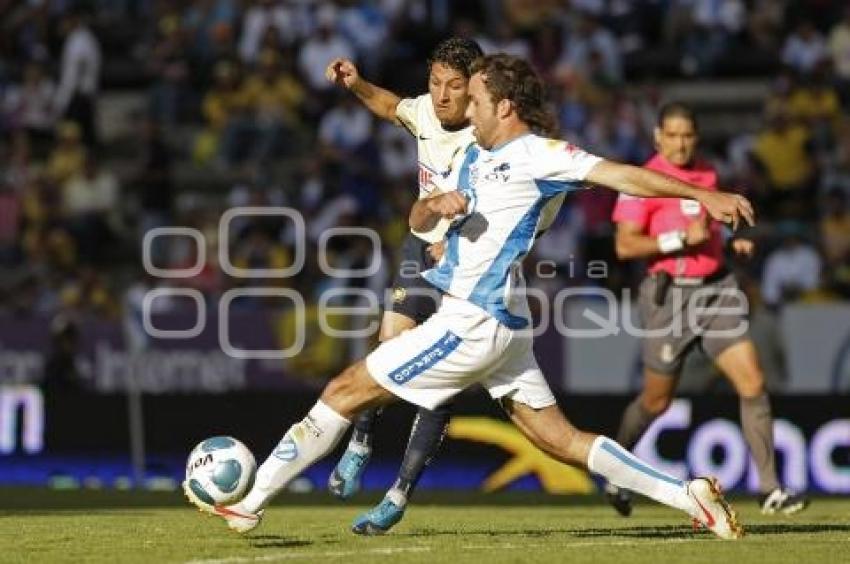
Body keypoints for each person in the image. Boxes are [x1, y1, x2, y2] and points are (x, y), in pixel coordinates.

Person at [185, 53, 754, 541]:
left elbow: (625, 176)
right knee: (559, 439)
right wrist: (435, 211)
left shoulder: (541, 156)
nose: (465, 109)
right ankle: (689, 496)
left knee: (344, 389)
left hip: (475, 321)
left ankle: (249, 498)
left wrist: (703, 197)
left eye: (476, 99)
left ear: (504, 105)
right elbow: (418, 216)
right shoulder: (474, 156)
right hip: (499, 324)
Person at [607, 102, 808, 516]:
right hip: (670, 297)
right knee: (656, 402)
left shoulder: (708, 175)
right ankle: (614, 468)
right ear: (658, 136)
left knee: (752, 382)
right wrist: (681, 239)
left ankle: (770, 489)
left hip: (717, 290)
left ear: (696, 137)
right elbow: (625, 246)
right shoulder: (640, 181)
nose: (680, 143)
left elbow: (709, 233)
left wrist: (732, 244)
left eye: (688, 135)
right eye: (673, 134)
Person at [322, 38, 482, 535]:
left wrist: (457, 244)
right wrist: (357, 84)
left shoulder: (492, 134)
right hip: (420, 246)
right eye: (435, 82)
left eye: (453, 85)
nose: (441, 95)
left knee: (439, 387)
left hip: (470, 262)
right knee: (389, 346)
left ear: (474, 86)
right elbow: (390, 106)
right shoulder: (424, 114)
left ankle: (399, 494)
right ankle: (362, 441)